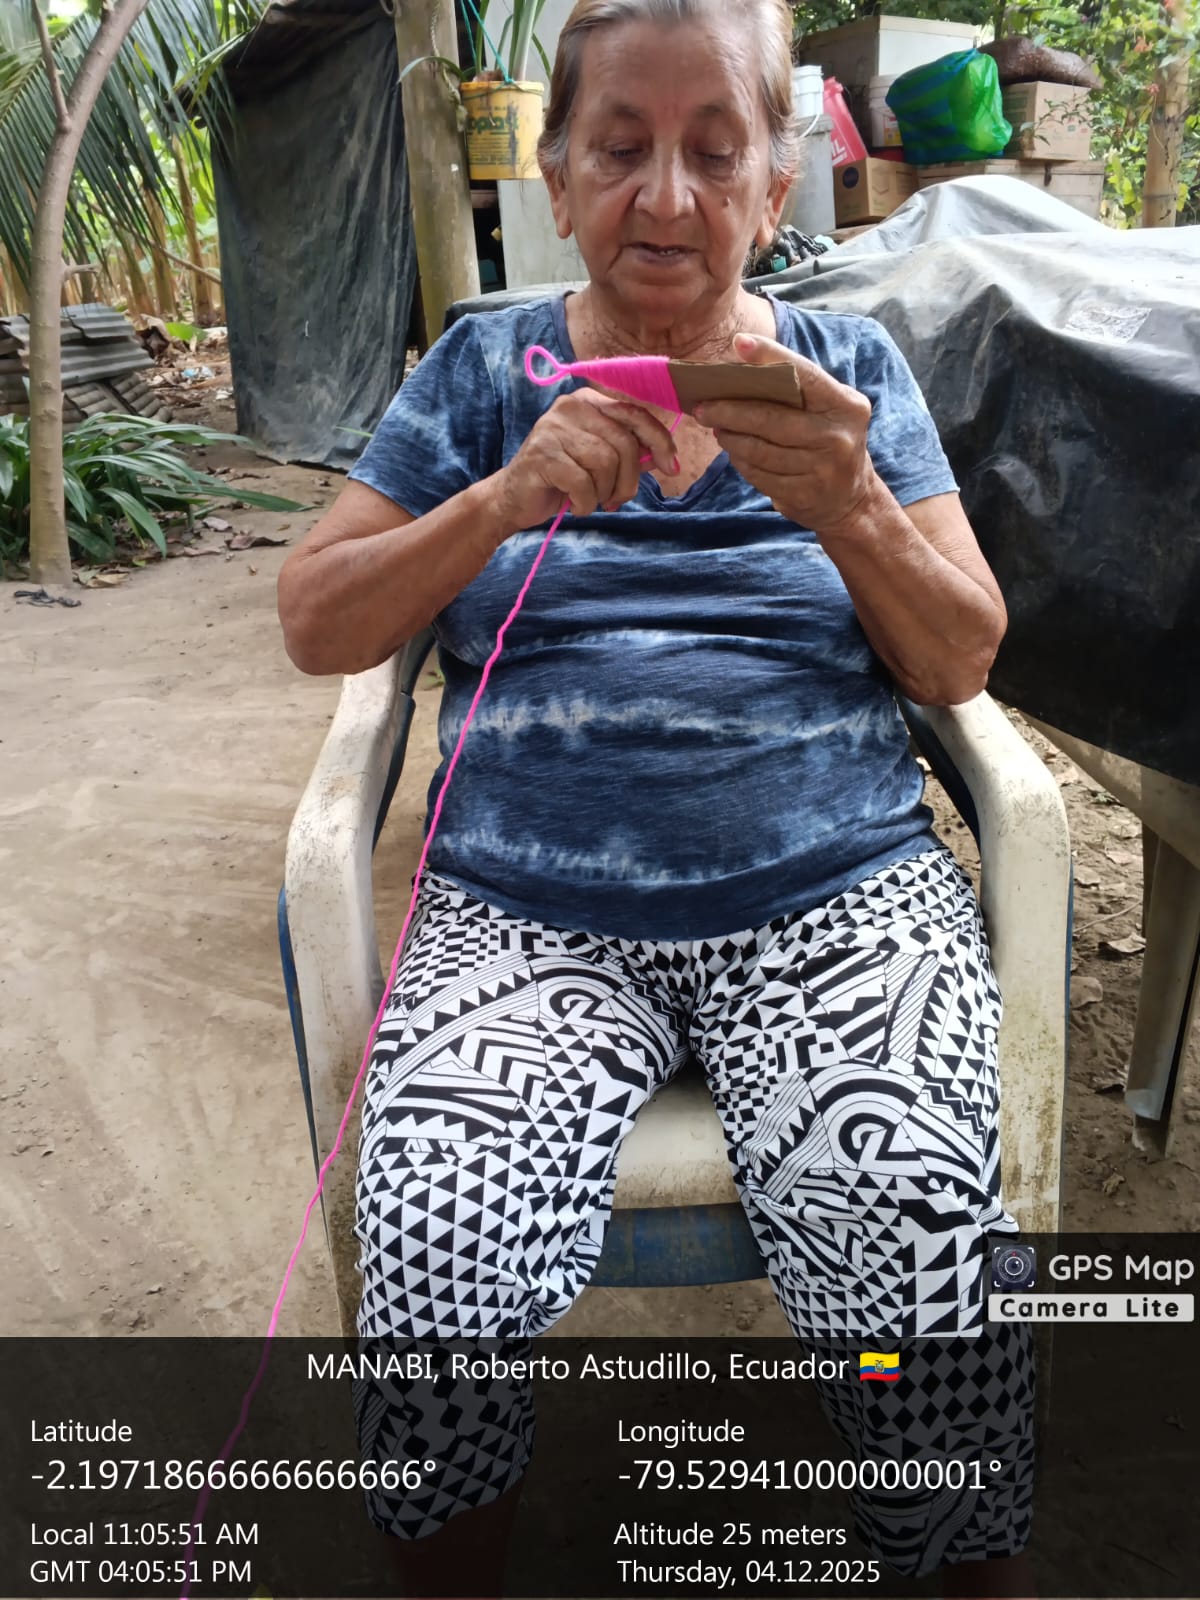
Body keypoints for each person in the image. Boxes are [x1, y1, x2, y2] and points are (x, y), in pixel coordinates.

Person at [277, 0, 1034, 1593]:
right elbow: (317, 621)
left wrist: (851, 509)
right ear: (557, 176)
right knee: (438, 1239)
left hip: (836, 900)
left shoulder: (848, 373)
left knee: (910, 1220)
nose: (668, 198)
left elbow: (961, 655)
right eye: (621, 148)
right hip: (525, 918)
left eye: (715, 151)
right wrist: (502, 497)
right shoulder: (484, 369)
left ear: (776, 183)